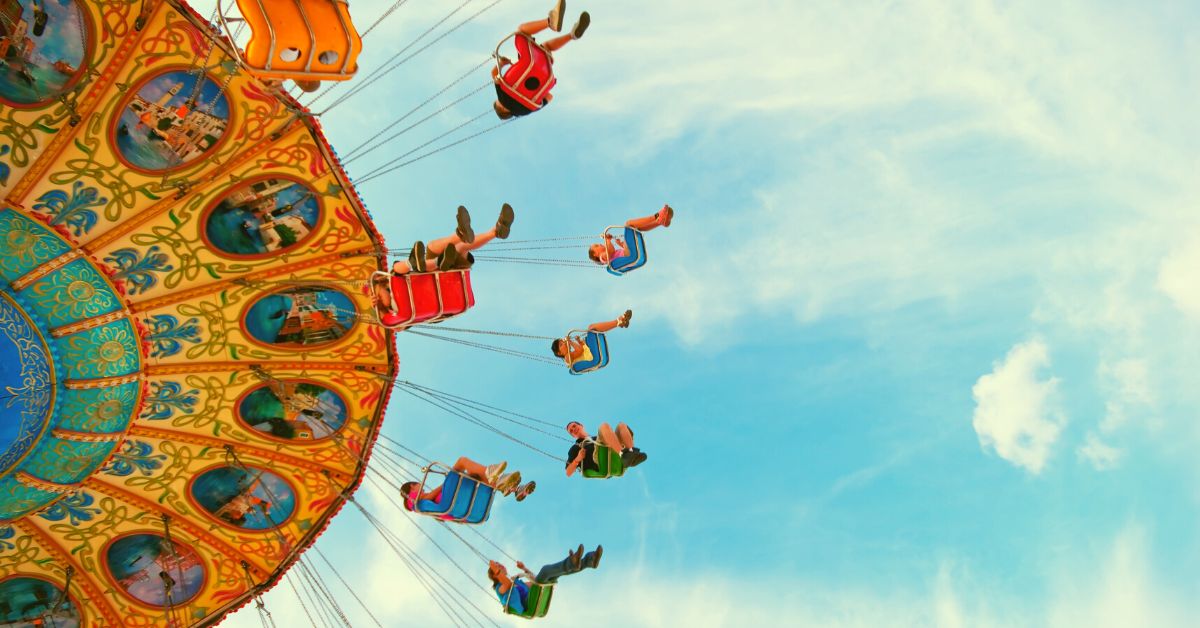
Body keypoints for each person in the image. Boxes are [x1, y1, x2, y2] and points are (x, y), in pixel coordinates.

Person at [371, 204, 514, 319]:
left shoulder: (398, 288)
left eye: (381, 292)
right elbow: (396, 326)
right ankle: (425, 261)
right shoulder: (396, 311)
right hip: (439, 283)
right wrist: (380, 309)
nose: (379, 296)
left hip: (443, 275)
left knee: (453, 247)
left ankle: (494, 231)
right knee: (401, 268)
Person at [491, 0, 590, 119]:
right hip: (527, 63)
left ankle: (572, 35)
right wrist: (502, 63)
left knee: (545, 48)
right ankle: (550, 21)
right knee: (521, 32)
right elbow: (494, 74)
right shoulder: (502, 97)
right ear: (502, 108)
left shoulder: (526, 111)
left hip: (545, 74)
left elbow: (549, 97)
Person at [399, 457, 535, 516]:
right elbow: (429, 496)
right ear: (412, 486)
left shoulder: (424, 509)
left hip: (458, 505)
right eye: (419, 485)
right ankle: (491, 473)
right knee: (462, 461)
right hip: (449, 499)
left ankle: (515, 489)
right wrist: (445, 483)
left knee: (475, 476)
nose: (422, 487)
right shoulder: (414, 501)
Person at [488, 545, 603, 615]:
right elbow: (507, 585)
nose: (501, 565)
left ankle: (589, 561)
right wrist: (497, 572)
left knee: (554, 573)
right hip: (529, 604)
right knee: (546, 570)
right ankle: (573, 562)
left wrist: (524, 568)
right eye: (497, 566)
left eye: (499, 564)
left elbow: (534, 580)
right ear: (494, 575)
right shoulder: (499, 588)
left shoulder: (517, 583)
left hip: (535, 595)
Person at [589, 205, 675, 266]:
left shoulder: (611, 255)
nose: (600, 244)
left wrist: (621, 245)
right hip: (629, 256)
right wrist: (607, 240)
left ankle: (659, 222)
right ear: (595, 254)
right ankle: (656, 216)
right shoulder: (602, 258)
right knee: (629, 224)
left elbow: (616, 253)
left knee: (636, 229)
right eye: (596, 246)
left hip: (631, 255)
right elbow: (610, 251)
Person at [550, 310, 632, 365]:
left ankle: (620, 321)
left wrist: (579, 341)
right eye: (561, 344)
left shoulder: (571, 354)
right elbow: (580, 350)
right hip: (591, 356)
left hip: (589, 352)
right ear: (559, 353)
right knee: (592, 328)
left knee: (592, 327)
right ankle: (619, 321)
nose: (564, 343)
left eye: (563, 342)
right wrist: (570, 342)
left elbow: (580, 349)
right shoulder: (567, 358)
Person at [565, 420, 646, 475]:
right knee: (604, 426)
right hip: (601, 462)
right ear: (573, 436)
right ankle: (624, 455)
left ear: (581, 425)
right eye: (571, 431)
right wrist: (578, 459)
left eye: (574, 426)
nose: (573, 429)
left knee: (621, 426)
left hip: (612, 453)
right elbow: (568, 472)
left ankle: (631, 453)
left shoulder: (596, 438)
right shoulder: (575, 448)